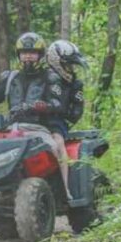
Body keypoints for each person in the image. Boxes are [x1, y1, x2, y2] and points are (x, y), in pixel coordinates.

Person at [0, 32, 73, 195]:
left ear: (40, 55)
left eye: (32, 53)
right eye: (24, 53)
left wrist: (43, 106)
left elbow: (58, 104)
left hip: (38, 129)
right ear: (19, 55)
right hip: (11, 129)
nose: (28, 57)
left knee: (55, 148)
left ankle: (65, 189)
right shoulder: (11, 77)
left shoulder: (50, 77)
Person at [45, 40, 89, 199]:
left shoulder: (74, 84)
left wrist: (63, 122)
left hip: (57, 123)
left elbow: (77, 109)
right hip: (33, 121)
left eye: (72, 66)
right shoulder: (42, 77)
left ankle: (65, 188)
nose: (71, 69)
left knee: (57, 141)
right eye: (68, 65)